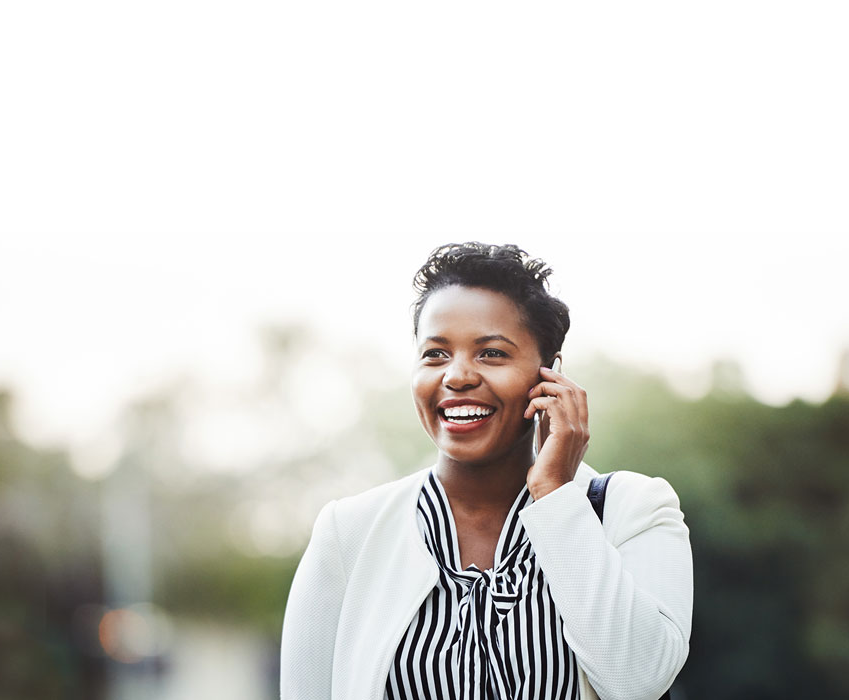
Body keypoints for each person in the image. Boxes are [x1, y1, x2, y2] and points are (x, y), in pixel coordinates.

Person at [280, 242, 692, 700]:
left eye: (491, 354)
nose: (456, 376)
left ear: (550, 375)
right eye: (435, 354)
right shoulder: (350, 532)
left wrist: (556, 494)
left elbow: (638, 680)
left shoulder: (633, 510)